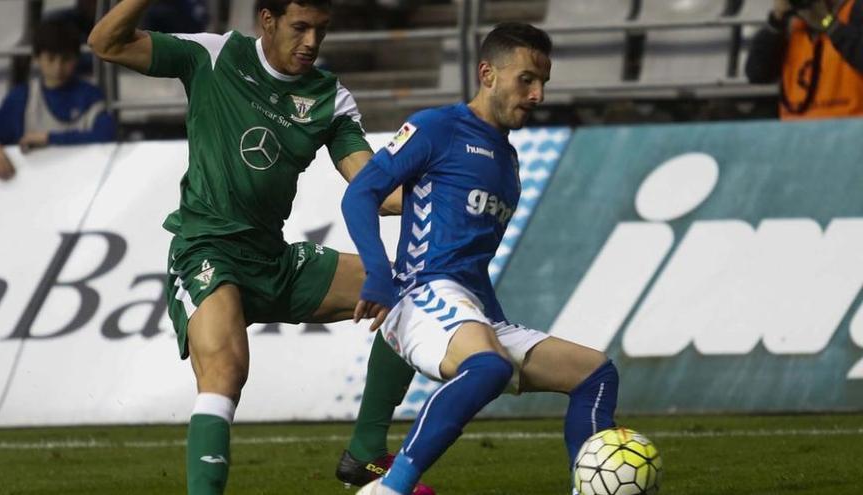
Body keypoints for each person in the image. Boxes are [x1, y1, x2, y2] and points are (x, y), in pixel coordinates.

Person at [87, 1, 425, 494]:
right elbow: (105, 43)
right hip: (206, 251)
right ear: (267, 20)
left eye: (321, 31)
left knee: (409, 293)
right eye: (300, 27)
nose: (312, 41)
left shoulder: (329, 97)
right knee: (226, 370)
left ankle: (366, 453)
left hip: (273, 260)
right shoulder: (216, 56)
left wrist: (438, 189)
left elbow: (370, 185)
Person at [341, 22, 619, 495]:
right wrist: (377, 274)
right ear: (488, 74)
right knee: (488, 367)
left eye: (543, 83)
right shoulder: (436, 127)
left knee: (595, 373)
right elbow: (360, 195)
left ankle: (589, 488)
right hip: (419, 294)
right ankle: (390, 488)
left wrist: (493, 321)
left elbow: (473, 262)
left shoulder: (508, 162)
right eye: (526, 80)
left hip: (467, 305)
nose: (538, 95)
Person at [0, 19, 116, 181]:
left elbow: (107, 134)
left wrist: (48, 139)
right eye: (51, 59)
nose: (58, 67)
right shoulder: (21, 98)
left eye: (66, 59)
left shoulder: (90, 95)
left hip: (84, 182)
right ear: (37, 58)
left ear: (77, 58)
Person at [746, 0, 863, 119]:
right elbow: (756, 74)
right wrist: (776, 21)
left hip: (850, 127)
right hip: (796, 131)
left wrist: (829, 24)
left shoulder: (855, 10)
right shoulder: (791, 22)